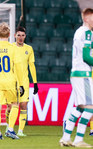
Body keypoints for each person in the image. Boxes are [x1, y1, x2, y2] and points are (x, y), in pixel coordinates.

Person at [59, 8, 93, 148]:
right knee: (90, 108)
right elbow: (86, 57)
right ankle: (79, 139)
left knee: (80, 107)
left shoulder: (78, 31)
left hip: (76, 73)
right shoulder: (87, 32)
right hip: (83, 73)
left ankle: (66, 138)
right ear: (86, 18)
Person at [0, 22, 24, 140]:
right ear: (10, 34)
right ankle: (10, 130)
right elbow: (17, 68)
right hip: (10, 81)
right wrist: (21, 84)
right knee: (15, 104)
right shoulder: (13, 48)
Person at [5, 26, 38, 137]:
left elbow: (32, 66)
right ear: (14, 36)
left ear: (25, 36)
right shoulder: (10, 47)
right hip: (12, 81)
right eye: (18, 35)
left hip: (24, 81)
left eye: (23, 35)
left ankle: (20, 131)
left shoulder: (29, 49)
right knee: (11, 106)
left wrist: (35, 83)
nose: (20, 37)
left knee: (23, 105)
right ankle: (8, 126)